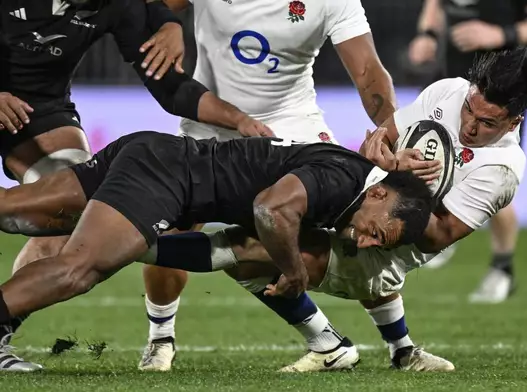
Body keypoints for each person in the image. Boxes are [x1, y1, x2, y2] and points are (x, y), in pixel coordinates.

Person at [197, 47, 527, 372]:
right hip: (362, 200)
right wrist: (381, 158)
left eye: (488, 123)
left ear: (513, 122)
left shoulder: (502, 169)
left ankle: (328, 345)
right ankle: (402, 350)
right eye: (469, 110)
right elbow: (377, 142)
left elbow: (435, 238)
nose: (470, 126)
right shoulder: (449, 91)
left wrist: (392, 180)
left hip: (386, 250)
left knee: (245, 251)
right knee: (268, 213)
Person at [0, 0, 272, 371]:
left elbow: (171, 88)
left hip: (37, 113)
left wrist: (239, 120)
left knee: (78, 211)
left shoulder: (114, 4)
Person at [139, 0, 398, 371]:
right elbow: (155, 7)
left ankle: (401, 345)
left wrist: (394, 136)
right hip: (211, 122)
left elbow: (368, 71)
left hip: (291, 123)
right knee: (170, 229)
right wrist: (169, 26)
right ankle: (161, 338)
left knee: (353, 217)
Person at [0, 131, 436, 338]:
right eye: (378, 232)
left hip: (155, 152)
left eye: (380, 246)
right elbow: (271, 208)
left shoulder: (346, 187)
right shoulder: (343, 181)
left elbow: (235, 247)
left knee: (20, 213)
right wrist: (295, 271)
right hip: (167, 177)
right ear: (379, 194)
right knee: (80, 270)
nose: (365, 243)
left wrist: (139, 249)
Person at [406, 0, 527, 303]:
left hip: (500, 100)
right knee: (427, 154)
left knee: (492, 174)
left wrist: (500, 34)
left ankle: (501, 267)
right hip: (458, 88)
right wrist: (427, 34)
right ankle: (441, 221)